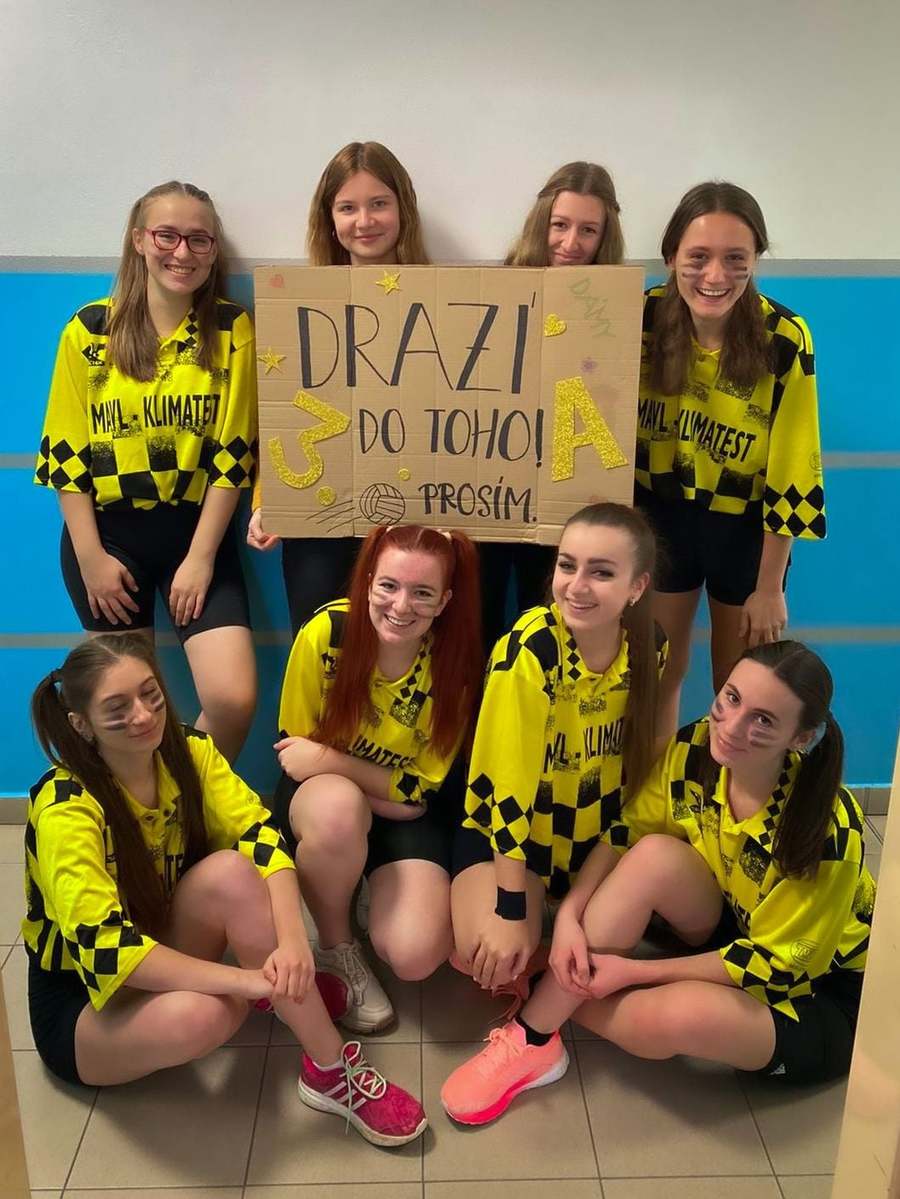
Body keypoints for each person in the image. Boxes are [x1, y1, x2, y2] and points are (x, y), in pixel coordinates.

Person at [442, 641, 874, 1124]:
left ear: (801, 738)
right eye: (732, 698)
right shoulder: (696, 748)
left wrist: (633, 972)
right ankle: (535, 1037)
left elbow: (774, 965)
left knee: (670, 1018)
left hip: (814, 993)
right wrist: (567, 918)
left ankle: (547, 979)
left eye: (764, 720)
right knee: (653, 856)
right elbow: (626, 833)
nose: (732, 727)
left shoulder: (827, 832)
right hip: (735, 924)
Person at [24, 634, 427, 1146]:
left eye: (150, 693)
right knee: (207, 1016)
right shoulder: (66, 807)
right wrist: (252, 982)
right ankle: (274, 995)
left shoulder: (188, 750)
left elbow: (262, 835)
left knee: (234, 872)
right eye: (117, 707)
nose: (143, 715)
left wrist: (294, 943)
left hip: (158, 935)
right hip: (81, 999)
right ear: (81, 724)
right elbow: (108, 952)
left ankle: (329, 1072)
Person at [35, 180, 257, 762]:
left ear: (214, 250)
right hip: (107, 538)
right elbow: (66, 455)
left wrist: (202, 557)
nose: (182, 252)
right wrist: (91, 559)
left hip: (197, 532)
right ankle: (145, 805)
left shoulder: (231, 330)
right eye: (167, 235)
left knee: (232, 699)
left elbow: (232, 456)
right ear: (139, 240)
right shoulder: (90, 329)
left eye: (199, 239)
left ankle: (190, 796)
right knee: (127, 713)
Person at [449, 502, 667, 997]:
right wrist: (509, 908)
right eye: (567, 566)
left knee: (606, 942)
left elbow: (632, 778)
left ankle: (554, 937)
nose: (576, 585)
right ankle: (499, 917)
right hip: (515, 839)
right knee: (491, 955)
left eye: (601, 572)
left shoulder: (649, 646)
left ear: (637, 587)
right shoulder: (529, 651)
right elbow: (506, 788)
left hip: (592, 839)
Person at [273, 523, 482, 1033]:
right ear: (367, 581)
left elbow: (422, 788)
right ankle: (335, 945)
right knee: (339, 810)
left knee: (415, 955)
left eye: (423, 593)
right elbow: (293, 754)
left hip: (399, 812)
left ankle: (364, 880)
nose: (401, 605)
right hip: (326, 804)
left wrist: (333, 763)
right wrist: (374, 795)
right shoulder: (327, 632)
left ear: (445, 600)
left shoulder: (454, 665)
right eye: (388, 585)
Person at [634, 182, 825, 737]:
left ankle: (727, 788)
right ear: (671, 256)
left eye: (735, 259)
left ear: (755, 259)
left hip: (746, 530)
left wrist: (770, 586)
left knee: (739, 684)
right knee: (656, 674)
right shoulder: (640, 318)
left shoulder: (784, 337)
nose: (715, 276)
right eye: (698, 257)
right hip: (660, 515)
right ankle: (653, 782)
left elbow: (794, 465)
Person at [247, 142, 430, 636]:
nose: (364, 221)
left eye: (379, 204)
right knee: (322, 649)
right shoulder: (298, 307)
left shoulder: (442, 303)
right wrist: (268, 499)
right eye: (347, 207)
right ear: (329, 219)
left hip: (414, 519)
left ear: (403, 210)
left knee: (408, 655)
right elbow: (283, 412)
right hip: (320, 520)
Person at [478, 162, 627, 651]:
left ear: (604, 237)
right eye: (559, 225)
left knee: (550, 630)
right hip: (489, 489)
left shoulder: (616, 309)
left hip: (566, 494)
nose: (570, 243)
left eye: (588, 230)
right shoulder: (494, 292)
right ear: (541, 220)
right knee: (476, 620)